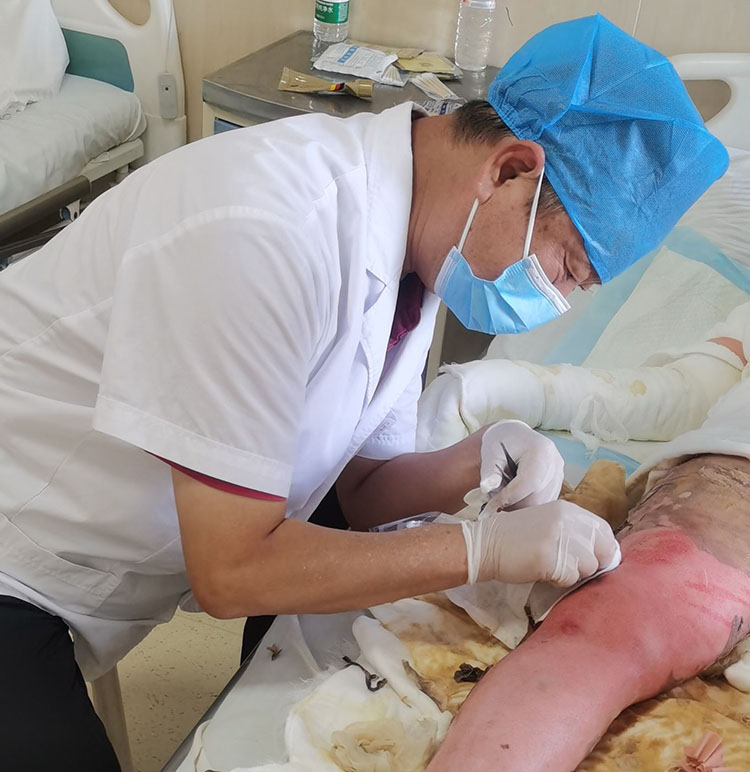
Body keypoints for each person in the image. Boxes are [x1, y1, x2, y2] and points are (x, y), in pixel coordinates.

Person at [0, 13, 727, 770]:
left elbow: (361, 487)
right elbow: (232, 572)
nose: (557, 299)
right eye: (566, 268)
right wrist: (480, 550)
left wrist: (475, 461)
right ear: (510, 170)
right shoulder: (266, 231)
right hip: (17, 551)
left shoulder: (416, 247)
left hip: (115, 555)